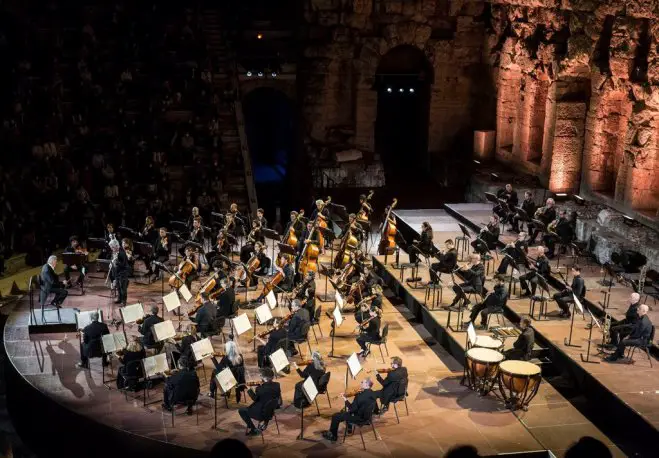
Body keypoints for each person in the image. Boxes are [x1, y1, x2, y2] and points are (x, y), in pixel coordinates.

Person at [321, 378, 379, 442]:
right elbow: (365, 402)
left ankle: (333, 436)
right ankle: (349, 427)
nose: (361, 383)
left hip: (359, 418)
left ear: (367, 385)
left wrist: (345, 399)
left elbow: (352, 408)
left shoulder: (360, 396)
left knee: (335, 416)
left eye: (362, 382)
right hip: (368, 417)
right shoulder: (373, 393)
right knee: (343, 412)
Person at [238, 368, 282, 437]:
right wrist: (262, 385)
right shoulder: (277, 385)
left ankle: (253, 429)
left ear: (263, 377)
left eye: (261, 375)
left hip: (261, 413)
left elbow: (255, 398)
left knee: (241, 411)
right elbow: (269, 392)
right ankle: (265, 422)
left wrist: (249, 389)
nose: (260, 376)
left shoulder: (259, 389)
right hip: (271, 410)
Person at [108, 239, 129, 306]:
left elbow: (124, 264)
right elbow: (112, 259)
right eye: (111, 247)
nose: (111, 248)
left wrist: (116, 262)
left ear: (116, 246)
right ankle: (119, 299)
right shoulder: (114, 252)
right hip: (117, 273)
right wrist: (111, 263)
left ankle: (124, 301)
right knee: (118, 287)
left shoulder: (122, 253)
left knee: (123, 288)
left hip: (122, 273)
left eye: (112, 247)